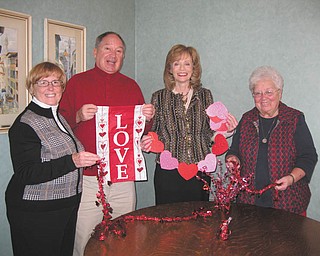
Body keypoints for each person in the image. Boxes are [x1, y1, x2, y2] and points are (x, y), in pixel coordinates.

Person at [59, 31, 154, 255]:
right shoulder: (77, 83)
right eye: (108, 48)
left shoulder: (131, 86)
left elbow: (139, 133)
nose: (113, 55)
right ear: (95, 52)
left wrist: (148, 120)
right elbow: (60, 126)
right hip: (89, 178)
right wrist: (78, 116)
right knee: (84, 238)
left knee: (123, 235)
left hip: (122, 176)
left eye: (119, 51)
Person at [5, 62, 100, 256]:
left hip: (64, 207)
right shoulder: (25, 124)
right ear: (32, 87)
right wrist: (72, 161)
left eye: (56, 82)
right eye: (43, 82)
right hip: (36, 211)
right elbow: (26, 173)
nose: (51, 87)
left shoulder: (57, 117)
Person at [141, 44, 238, 205]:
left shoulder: (205, 95)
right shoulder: (158, 97)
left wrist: (228, 131)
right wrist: (145, 142)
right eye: (176, 63)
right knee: (168, 222)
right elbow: (154, 132)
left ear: (194, 68)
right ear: (170, 68)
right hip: (168, 172)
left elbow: (209, 133)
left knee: (197, 221)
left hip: (199, 169)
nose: (182, 68)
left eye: (187, 63)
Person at [226, 65, 318, 215]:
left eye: (269, 92)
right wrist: (232, 159)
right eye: (258, 93)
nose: (263, 98)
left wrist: (291, 178)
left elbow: (308, 156)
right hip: (249, 203)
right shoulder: (247, 119)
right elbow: (234, 150)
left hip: (289, 203)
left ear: (279, 93)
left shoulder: (294, 119)